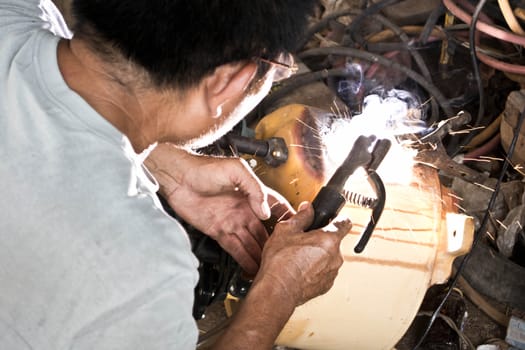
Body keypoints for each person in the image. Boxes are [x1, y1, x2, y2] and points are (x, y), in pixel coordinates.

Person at [0, 0, 352, 349]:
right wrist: (281, 289)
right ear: (229, 80)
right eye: (276, 70)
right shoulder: (141, 271)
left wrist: (166, 166)